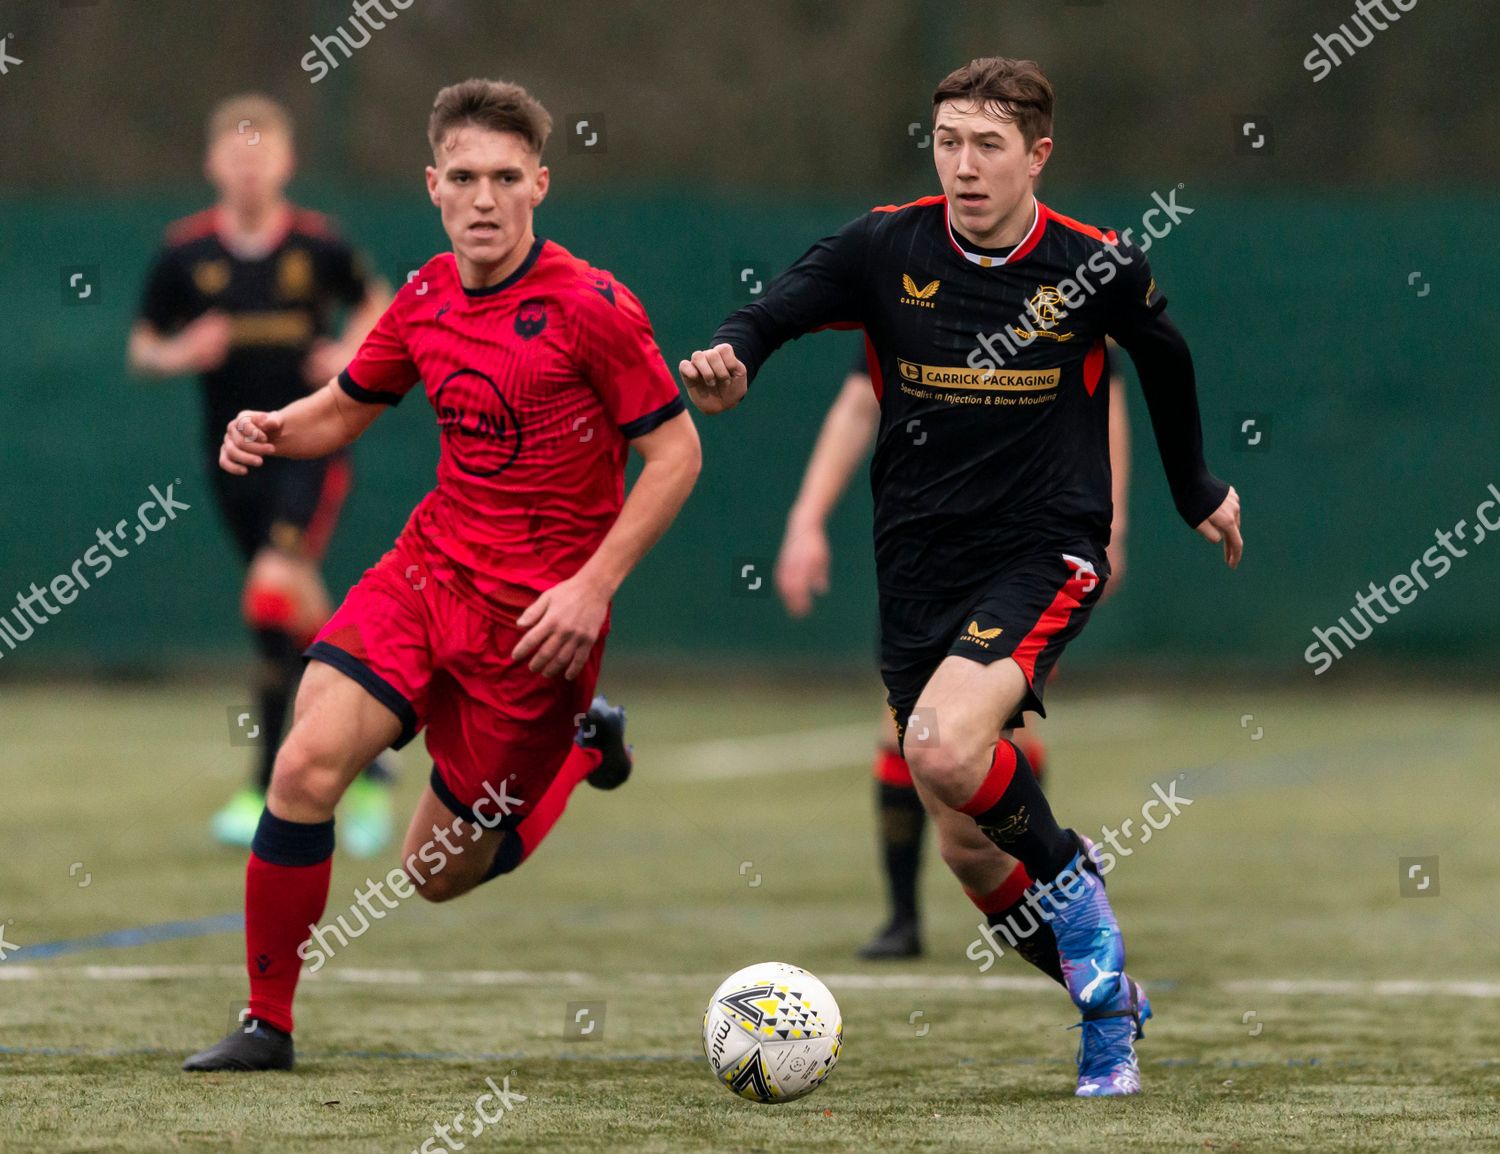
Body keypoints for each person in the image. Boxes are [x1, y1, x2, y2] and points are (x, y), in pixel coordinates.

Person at [682, 57, 1241, 1096]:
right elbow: (772, 311)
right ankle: (1111, 988)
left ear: (1038, 155)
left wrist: (1195, 486)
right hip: (919, 564)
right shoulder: (885, 244)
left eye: (989, 145)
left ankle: (1095, 978)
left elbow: (1164, 358)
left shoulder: (1094, 265)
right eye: (947, 141)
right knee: (969, 847)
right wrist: (731, 358)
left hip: (1048, 545)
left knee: (940, 745)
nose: (965, 165)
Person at [182, 77, 700, 1072]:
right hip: (426, 575)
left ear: (540, 183)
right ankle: (266, 1021)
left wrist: (593, 587)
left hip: (537, 631)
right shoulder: (423, 293)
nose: (484, 198)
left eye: (507, 177)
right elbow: (348, 402)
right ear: (432, 184)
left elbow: (676, 454)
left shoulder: (595, 308)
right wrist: (276, 426)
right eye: (463, 176)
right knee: (300, 766)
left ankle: (586, 750)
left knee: (432, 873)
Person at [775, 341, 1131, 960]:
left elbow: (1108, 402)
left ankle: (1053, 898)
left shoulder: (1065, 283)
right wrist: (807, 517)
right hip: (928, 562)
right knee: (919, 742)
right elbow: (859, 403)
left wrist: (1112, 524)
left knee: (966, 738)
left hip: (1030, 554)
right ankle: (922, 917)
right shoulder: (908, 283)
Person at [129, 94, 397, 855]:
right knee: (283, 606)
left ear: (286, 162)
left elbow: (377, 302)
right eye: (236, 156)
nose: (249, 169)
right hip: (230, 461)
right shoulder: (183, 254)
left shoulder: (320, 245)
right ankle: (372, 752)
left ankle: (266, 780)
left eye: (264, 155)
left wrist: (352, 353)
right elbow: (143, 348)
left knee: (274, 588)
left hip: (310, 449)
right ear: (215, 164)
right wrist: (182, 352)